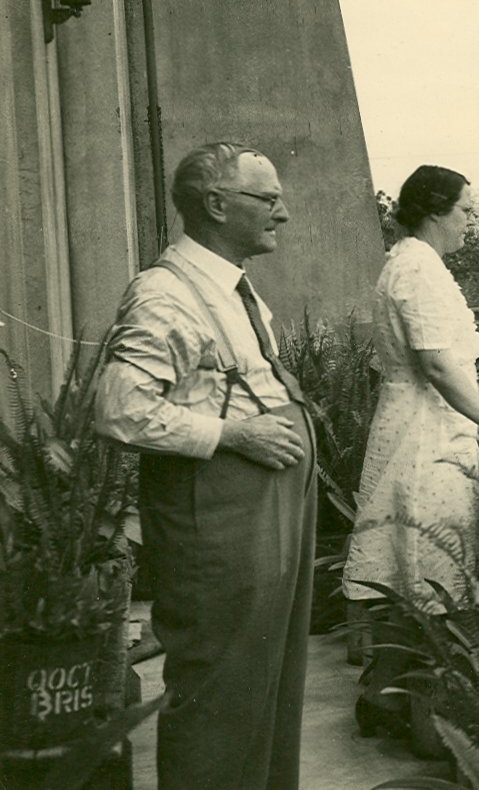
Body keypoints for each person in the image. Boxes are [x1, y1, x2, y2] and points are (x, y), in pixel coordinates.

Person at [96, 142, 314, 790]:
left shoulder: (230, 285)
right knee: (220, 686)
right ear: (217, 204)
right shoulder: (165, 293)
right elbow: (118, 408)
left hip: (264, 503)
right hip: (219, 512)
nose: (283, 214)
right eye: (267, 199)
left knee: (268, 681)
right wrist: (230, 435)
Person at [342, 164, 479, 737]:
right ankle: (429, 723)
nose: (471, 221)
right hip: (427, 438)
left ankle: (384, 700)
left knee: (418, 576)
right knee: (436, 579)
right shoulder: (418, 270)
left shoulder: (409, 264)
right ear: (436, 210)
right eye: (467, 209)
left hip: (415, 427)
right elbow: (439, 364)